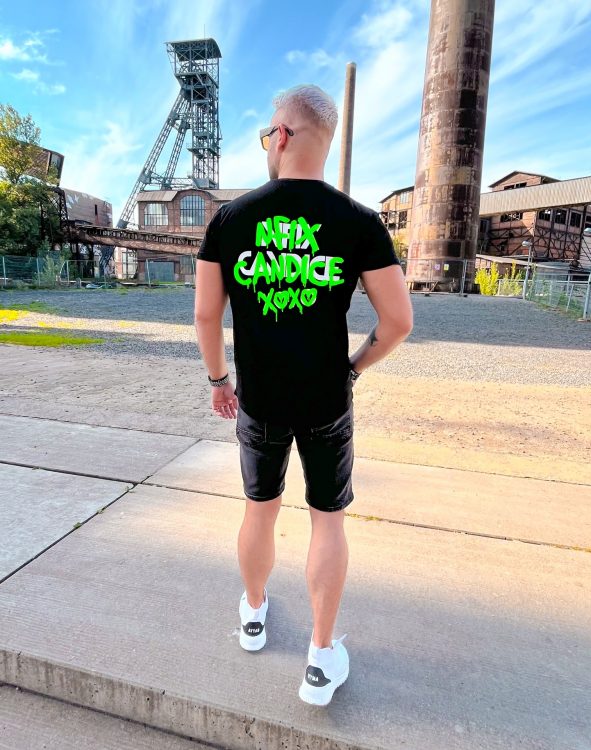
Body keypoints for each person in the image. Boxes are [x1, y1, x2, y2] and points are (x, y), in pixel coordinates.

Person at [194, 84, 413, 706]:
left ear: (283, 135)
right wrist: (353, 368)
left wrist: (219, 381)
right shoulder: (360, 222)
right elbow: (398, 322)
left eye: (268, 133)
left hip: (259, 399)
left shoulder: (230, 219)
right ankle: (320, 657)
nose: (267, 142)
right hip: (326, 401)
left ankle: (254, 615)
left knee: (259, 510)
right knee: (327, 521)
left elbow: (206, 316)